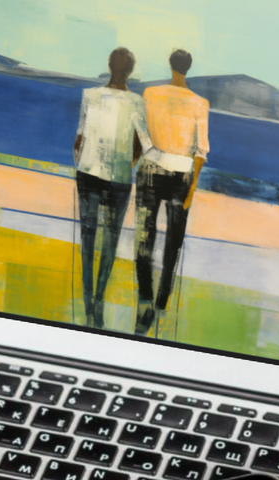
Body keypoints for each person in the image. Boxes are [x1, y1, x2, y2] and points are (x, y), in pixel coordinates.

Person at [73, 48, 152, 329]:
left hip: (88, 172)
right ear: (130, 71)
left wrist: (84, 163)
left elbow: (79, 141)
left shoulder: (89, 96)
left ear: (108, 66)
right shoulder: (136, 103)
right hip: (119, 178)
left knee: (87, 238)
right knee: (110, 242)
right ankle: (99, 297)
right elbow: (142, 144)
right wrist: (125, 165)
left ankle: (87, 303)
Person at [134, 49, 209, 335]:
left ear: (170, 64)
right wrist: (192, 189)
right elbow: (200, 150)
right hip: (182, 173)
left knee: (144, 238)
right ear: (188, 68)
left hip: (151, 169)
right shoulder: (200, 103)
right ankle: (163, 298)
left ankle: (145, 300)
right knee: (173, 243)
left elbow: (141, 137)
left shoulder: (150, 94)